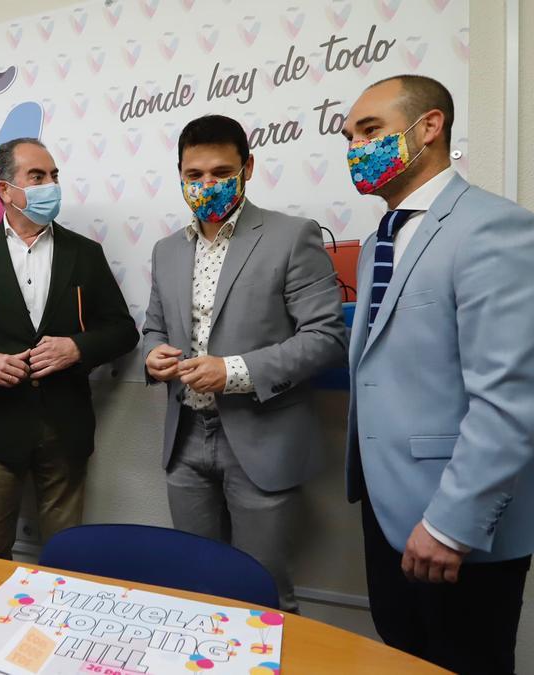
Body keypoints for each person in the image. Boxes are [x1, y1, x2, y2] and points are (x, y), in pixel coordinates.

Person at [342, 75, 534, 673]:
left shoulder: (496, 228)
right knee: (403, 657)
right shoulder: (380, 241)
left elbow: (510, 400)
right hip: (384, 503)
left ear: (429, 127)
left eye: (370, 130)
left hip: (456, 518)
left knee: (467, 660)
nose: (354, 147)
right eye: (348, 136)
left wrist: (451, 525)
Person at [141, 114, 347, 612]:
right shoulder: (166, 250)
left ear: (248, 168)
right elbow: (154, 327)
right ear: (181, 176)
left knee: (263, 593)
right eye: (194, 176)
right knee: (196, 587)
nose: (206, 185)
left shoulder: (291, 236)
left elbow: (327, 338)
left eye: (220, 172)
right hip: (185, 437)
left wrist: (233, 371)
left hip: (261, 437)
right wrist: (153, 355)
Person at [0, 138, 138, 559]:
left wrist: (76, 348)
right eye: (37, 177)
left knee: (66, 554)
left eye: (54, 175)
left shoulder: (85, 253)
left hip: (66, 426)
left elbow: (122, 331)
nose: (51, 185)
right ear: (5, 190)